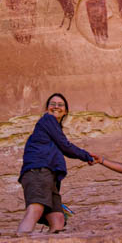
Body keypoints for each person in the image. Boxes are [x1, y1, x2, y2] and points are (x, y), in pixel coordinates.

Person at [17, 93, 96, 234]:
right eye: (52, 104)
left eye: (60, 105)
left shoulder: (52, 129)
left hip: (48, 176)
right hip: (38, 171)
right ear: (46, 109)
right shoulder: (48, 120)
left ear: (66, 111)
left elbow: (61, 146)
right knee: (36, 208)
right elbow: (65, 145)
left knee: (58, 218)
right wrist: (87, 156)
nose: (56, 107)